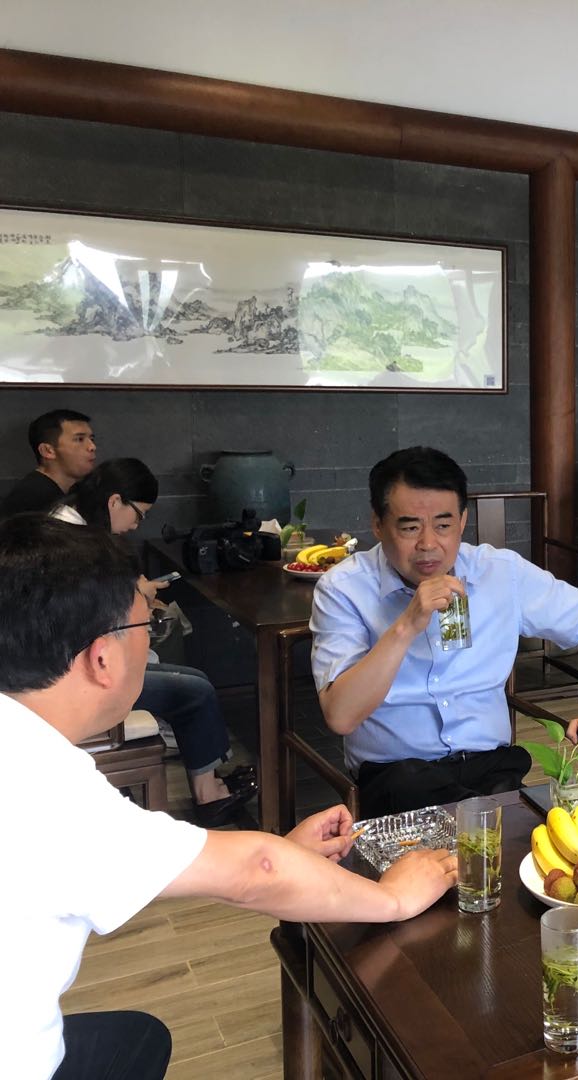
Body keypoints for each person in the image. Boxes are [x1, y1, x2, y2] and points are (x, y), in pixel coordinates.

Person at [0, 514, 456, 1080]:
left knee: (140, 1039)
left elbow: (163, 865)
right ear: (102, 657)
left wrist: (278, 852)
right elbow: (255, 873)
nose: (150, 641)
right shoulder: (48, 790)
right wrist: (393, 898)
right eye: (148, 626)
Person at [311, 446, 578, 817]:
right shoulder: (344, 588)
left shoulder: (498, 571)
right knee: (495, 824)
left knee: (528, 824)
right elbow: (340, 716)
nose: (428, 544)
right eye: (410, 527)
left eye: (443, 525)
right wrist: (407, 625)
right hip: (398, 777)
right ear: (377, 524)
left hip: (491, 766)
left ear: (462, 520)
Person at [51, 458, 255, 825]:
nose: (135, 525)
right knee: (194, 691)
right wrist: (138, 597)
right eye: (138, 514)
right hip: (75, 676)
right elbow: (87, 612)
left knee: (195, 680)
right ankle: (209, 796)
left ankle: (208, 786)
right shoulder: (70, 540)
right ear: (115, 501)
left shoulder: (67, 525)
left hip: (75, 664)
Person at [1, 408, 96, 517]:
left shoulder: (69, 494)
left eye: (92, 439)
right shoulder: (32, 500)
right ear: (48, 451)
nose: (92, 447)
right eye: (79, 439)